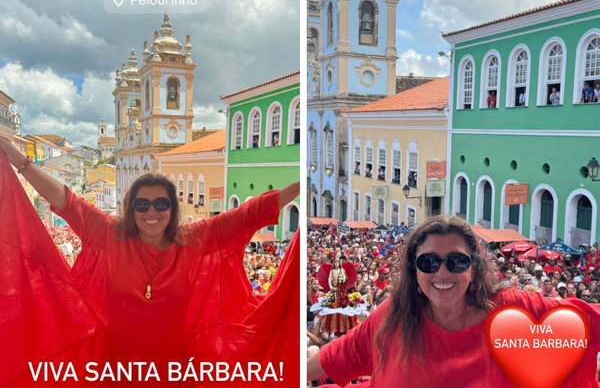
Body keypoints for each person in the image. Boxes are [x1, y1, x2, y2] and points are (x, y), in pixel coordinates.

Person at [0, 136, 301, 387]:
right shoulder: (108, 233)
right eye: (141, 203)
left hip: (176, 370)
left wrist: (304, 185)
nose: (151, 212)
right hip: (116, 368)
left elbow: (250, 212)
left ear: (172, 208)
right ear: (131, 208)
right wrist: (19, 161)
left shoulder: (193, 239)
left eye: (161, 203)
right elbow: (66, 200)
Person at [307, 215, 600, 386]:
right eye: (429, 262)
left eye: (457, 261)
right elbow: (327, 361)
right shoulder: (392, 318)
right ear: (413, 269)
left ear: (473, 268)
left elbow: (588, 322)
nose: (443, 272)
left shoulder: (515, 310)